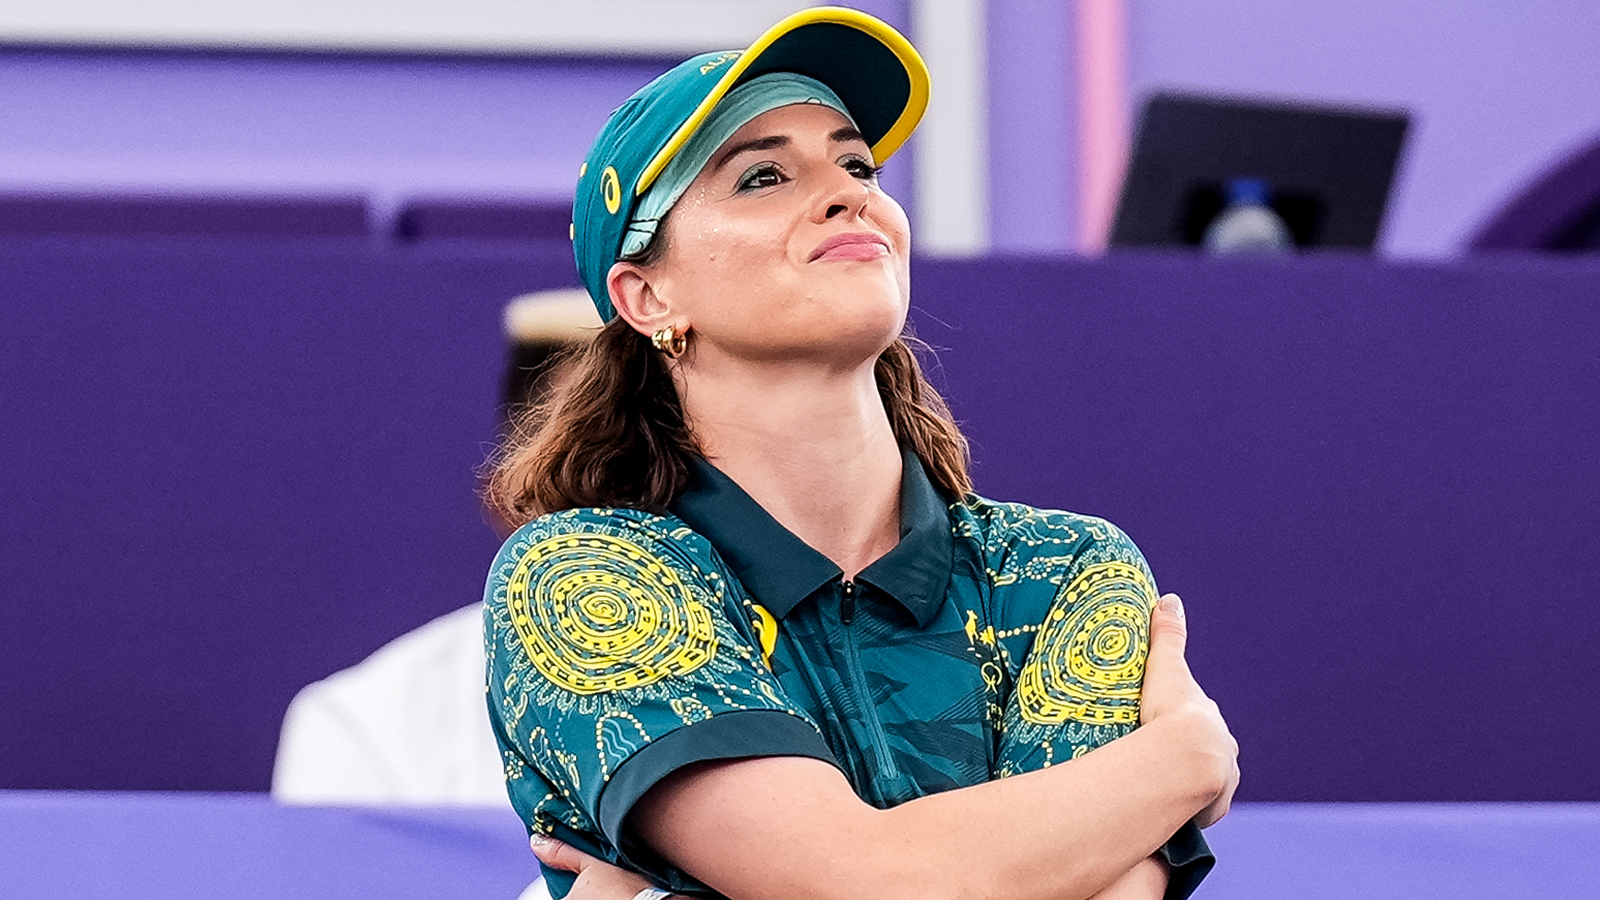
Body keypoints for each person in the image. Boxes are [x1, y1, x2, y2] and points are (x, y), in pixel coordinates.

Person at [481, 8, 1238, 900]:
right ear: (646, 296)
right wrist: (1180, 763)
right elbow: (861, 880)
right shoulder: (583, 573)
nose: (850, 195)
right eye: (763, 176)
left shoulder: (1064, 568)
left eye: (857, 165)